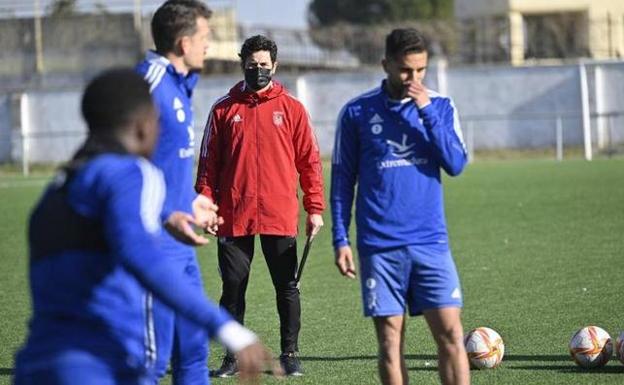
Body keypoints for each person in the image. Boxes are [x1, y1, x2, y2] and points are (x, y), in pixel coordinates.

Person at [13, 68, 278, 385]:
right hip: (98, 367)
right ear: (142, 126)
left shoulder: (57, 189)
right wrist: (226, 328)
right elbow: (143, 257)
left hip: (35, 365)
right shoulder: (132, 174)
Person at [331, 28, 470, 385]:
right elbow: (343, 180)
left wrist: (424, 110)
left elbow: (455, 164)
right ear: (387, 65)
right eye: (406, 71)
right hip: (379, 246)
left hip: (430, 242)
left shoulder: (440, 105)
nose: (414, 78)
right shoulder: (356, 113)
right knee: (391, 343)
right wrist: (340, 238)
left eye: (421, 70)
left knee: (452, 336)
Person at [195, 34, 325, 377]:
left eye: (264, 65)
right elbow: (207, 163)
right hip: (234, 215)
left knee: (287, 286)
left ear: (275, 66)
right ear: (243, 66)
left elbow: (309, 162)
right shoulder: (223, 109)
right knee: (233, 288)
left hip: (278, 213)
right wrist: (206, 203)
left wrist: (315, 209)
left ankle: (290, 353)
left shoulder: (293, 108)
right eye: (252, 65)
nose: (258, 71)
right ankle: (232, 357)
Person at [134, 1, 218, 384]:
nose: (209, 46)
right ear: (184, 43)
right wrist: (165, 213)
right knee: (149, 362)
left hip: (181, 248)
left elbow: (164, 164)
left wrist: (189, 200)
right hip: (152, 245)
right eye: (205, 38)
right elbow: (112, 165)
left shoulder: (180, 85)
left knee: (193, 349)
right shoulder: (147, 83)